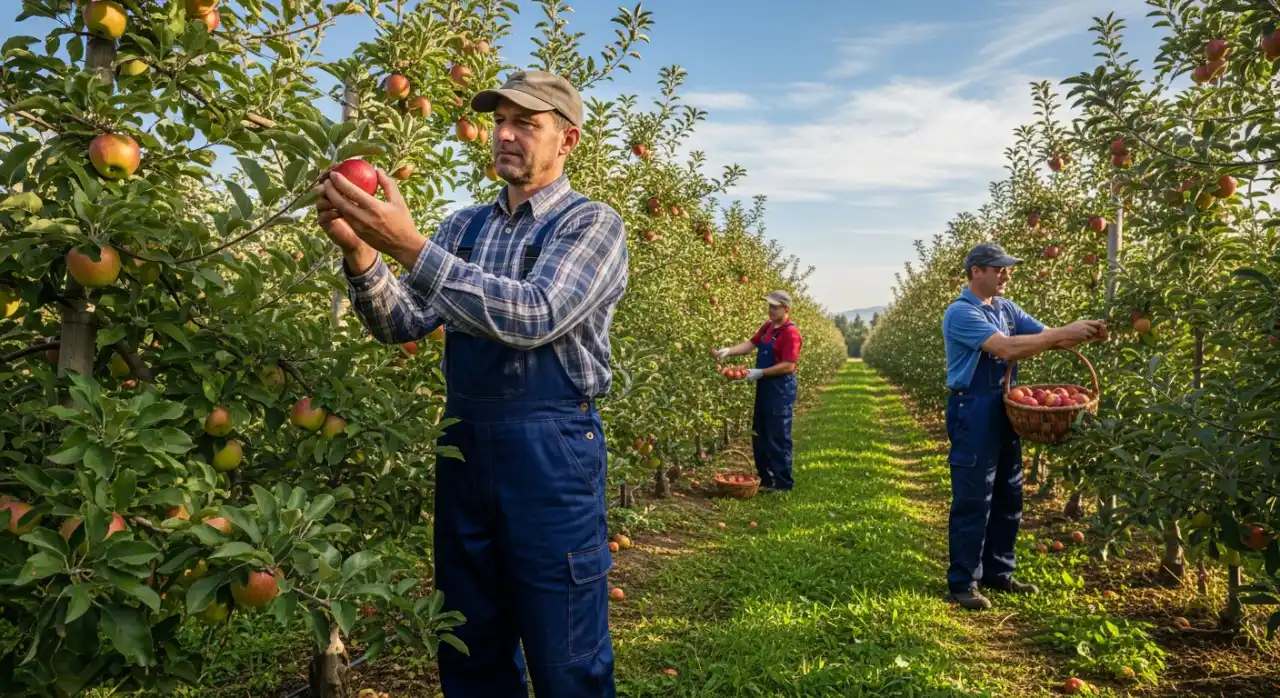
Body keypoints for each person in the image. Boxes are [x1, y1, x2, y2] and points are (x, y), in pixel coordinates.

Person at [315, 70, 627, 697]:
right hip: (464, 446)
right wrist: (361, 253)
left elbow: (536, 314)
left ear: (567, 141)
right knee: (470, 642)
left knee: (567, 653)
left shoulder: (592, 225)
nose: (505, 135)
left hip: (553, 451)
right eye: (499, 121)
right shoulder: (463, 229)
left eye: (526, 124)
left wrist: (406, 245)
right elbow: (401, 321)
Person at [942, 243, 1106, 610]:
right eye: (998, 268)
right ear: (975, 272)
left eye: (1007, 268)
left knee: (1009, 492)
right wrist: (1061, 333)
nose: (1006, 274)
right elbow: (1005, 349)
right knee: (974, 496)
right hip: (973, 407)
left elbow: (1049, 336)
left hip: (1004, 405)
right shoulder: (960, 313)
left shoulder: (1005, 308)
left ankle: (999, 572)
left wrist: (1085, 332)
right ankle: (963, 580)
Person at [713, 290, 803, 493]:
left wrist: (760, 372)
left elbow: (789, 365)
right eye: (769, 306)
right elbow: (751, 344)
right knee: (760, 432)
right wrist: (728, 351)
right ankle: (765, 479)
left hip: (781, 388)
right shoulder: (768, 327)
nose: (770, 310)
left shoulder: (790, 333)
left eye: (774, 307)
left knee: (777, 433)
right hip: (765, 385)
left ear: (786, 309)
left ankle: (782, 483)